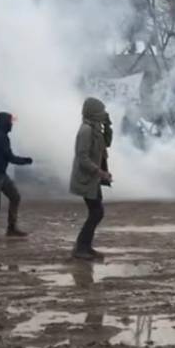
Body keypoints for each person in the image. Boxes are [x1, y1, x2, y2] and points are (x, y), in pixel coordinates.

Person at [69, 98, 114, 261]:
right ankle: (81, 247)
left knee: (96, 212)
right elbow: (82, 157)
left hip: (92, 179)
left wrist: (108, 126)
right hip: (87, 179)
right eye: (101, 110)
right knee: (96, 212)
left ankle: (85, 247)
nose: (104, 113)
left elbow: (106, 144)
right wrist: (100, 172)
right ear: (93, 112)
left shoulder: (95, 129)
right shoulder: (86, 130)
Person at [0, 112, 33, 241]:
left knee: (15, 197)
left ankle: (11, 228)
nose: (11, 125)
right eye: (10, 122)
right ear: (4, 123)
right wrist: (26, 161)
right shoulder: (0, 137)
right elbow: (10, 157)